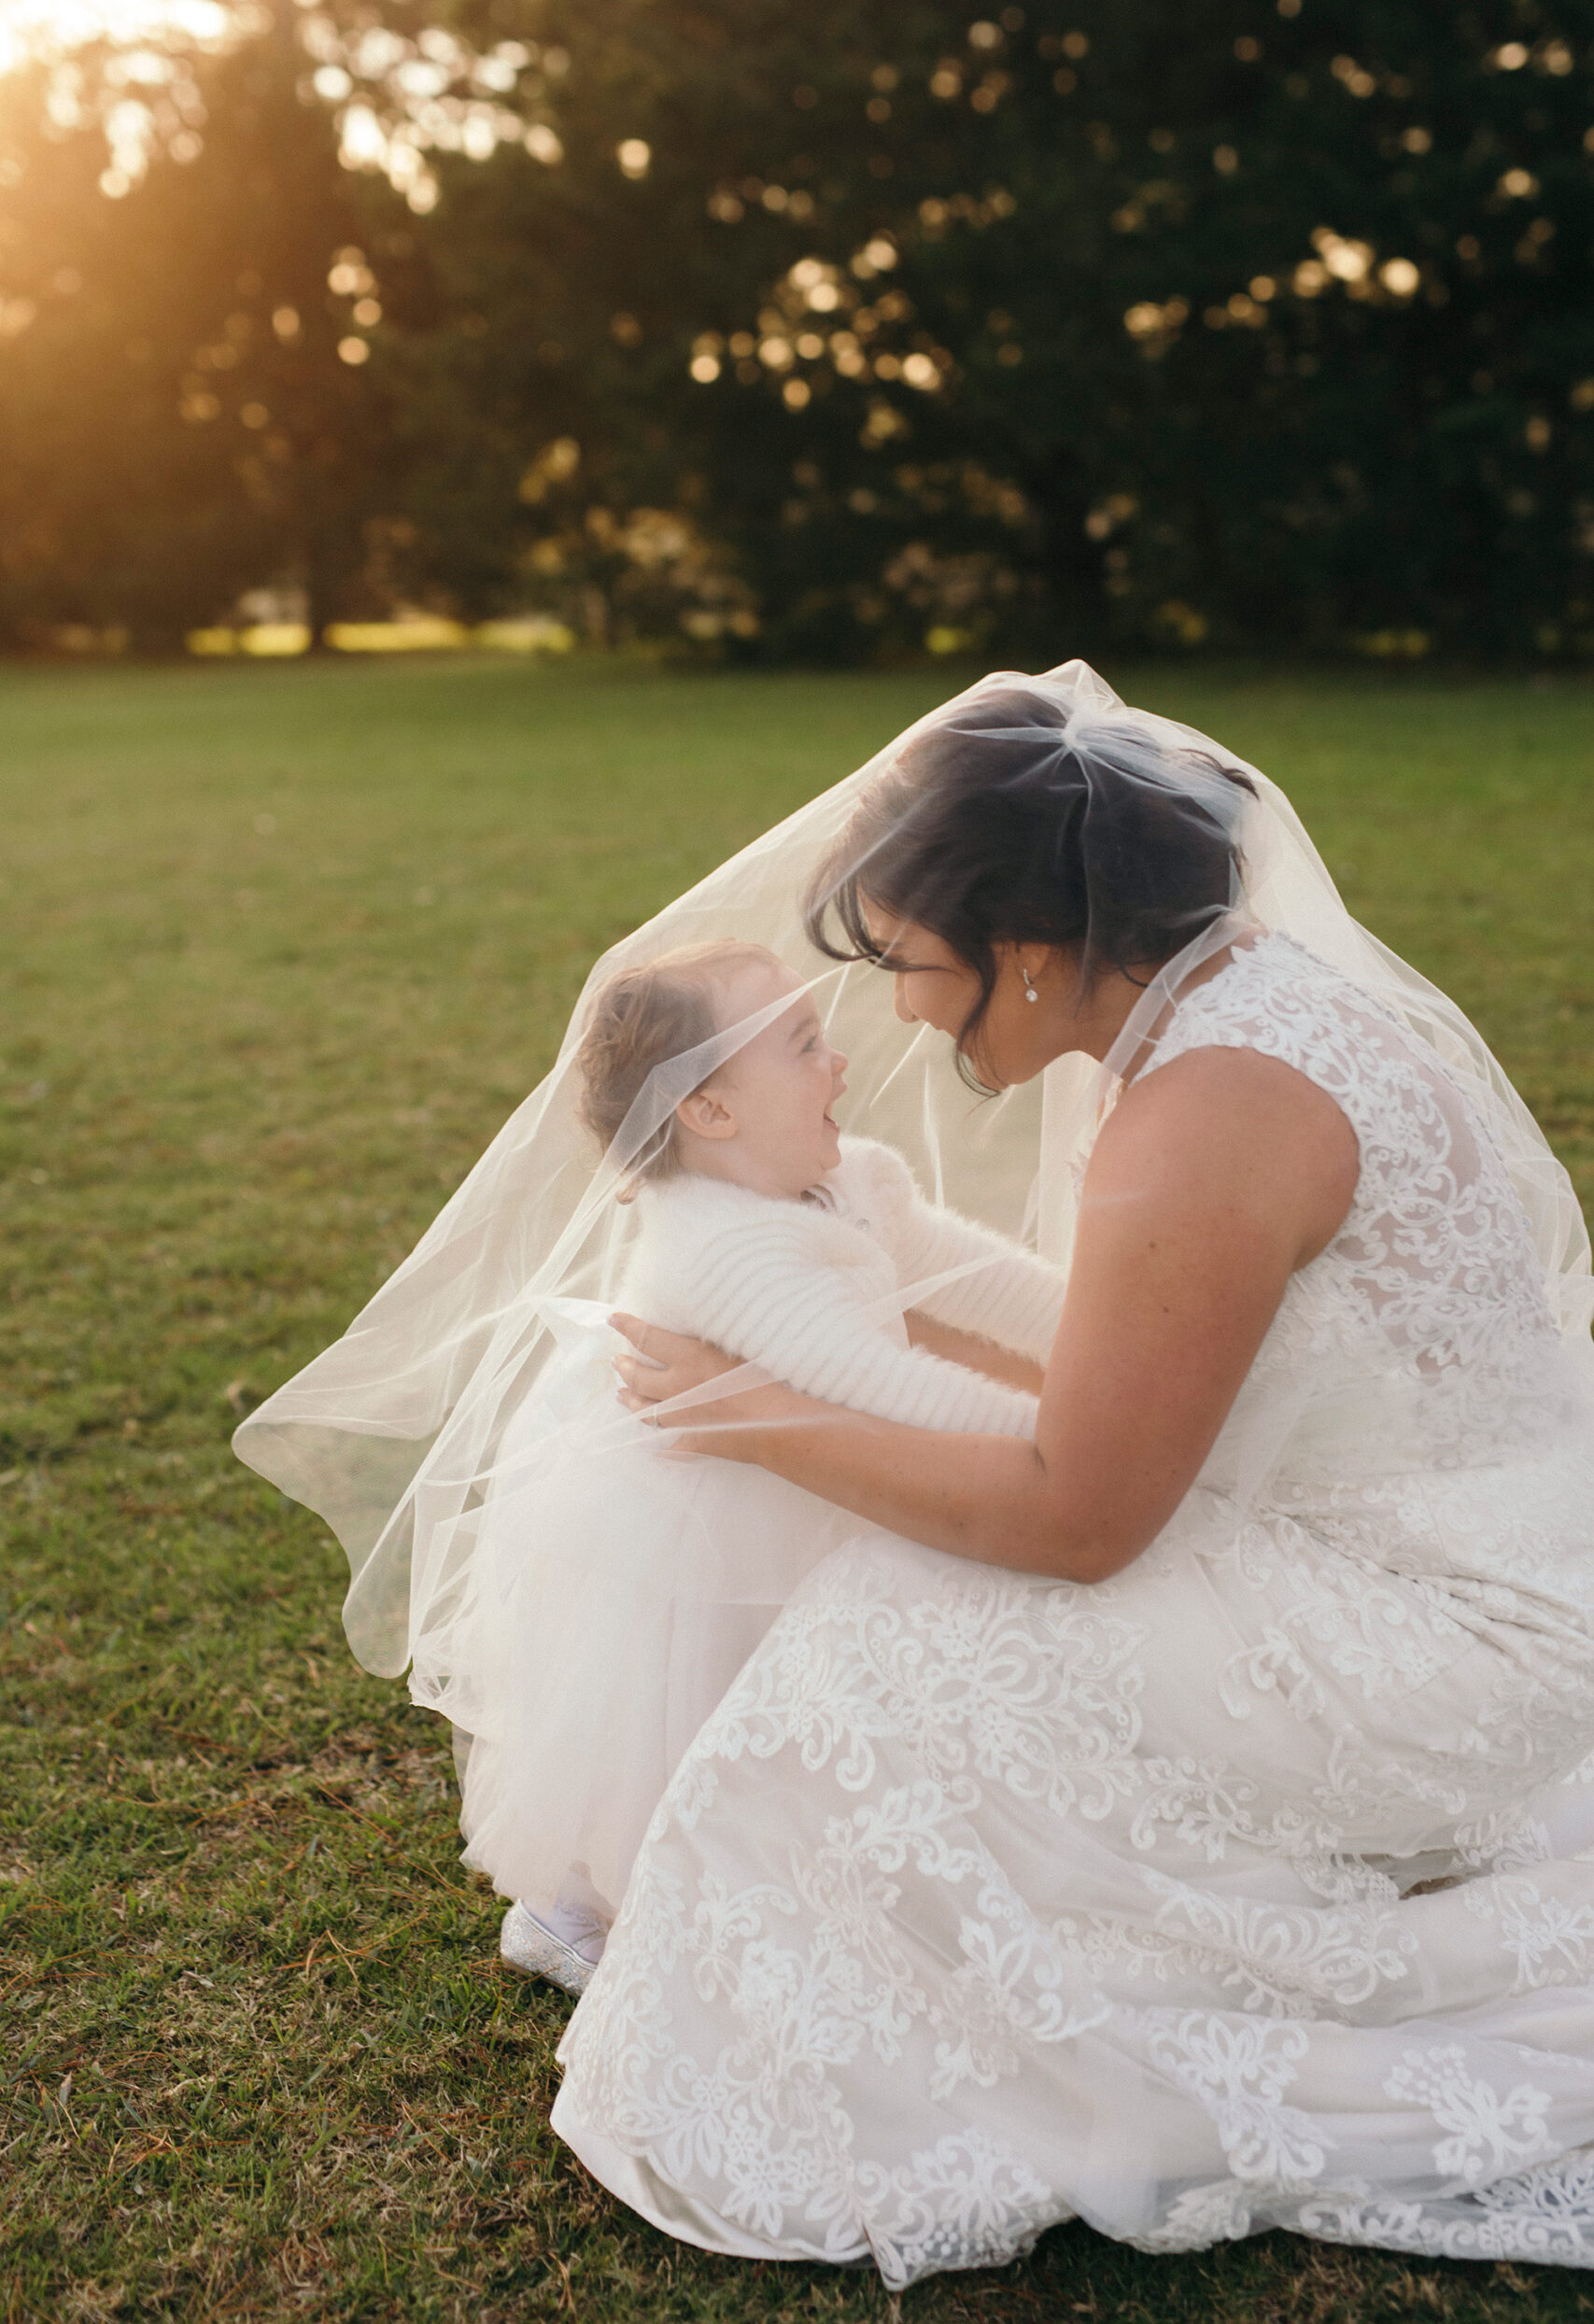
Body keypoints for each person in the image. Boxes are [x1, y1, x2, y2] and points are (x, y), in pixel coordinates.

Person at [545, 668, 1594, 2287]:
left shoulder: (1211, 1109)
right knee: (913, 1607)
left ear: (1027, 952)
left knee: (886, 1630)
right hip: (1470, 1558)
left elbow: (1078, 1518)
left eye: (908, 965)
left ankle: (982, 2028)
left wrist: (744, 1411)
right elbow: (1087, 1350)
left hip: (1460, 1641)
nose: (896, 1013)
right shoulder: (1229, 1007)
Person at [459, 937, 1064, 1993]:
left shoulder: (847, 1177)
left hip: (804, 1491)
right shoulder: (727, 1252)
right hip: (704, 1542)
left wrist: (1100, 1344)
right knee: (691, 1726)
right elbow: (896, 1393)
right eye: (802, 1045)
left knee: (816, 1721)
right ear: (710, 1110)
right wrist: (1068, 1442)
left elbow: (985, 1280)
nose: (839, 1062)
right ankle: (577, 1902)